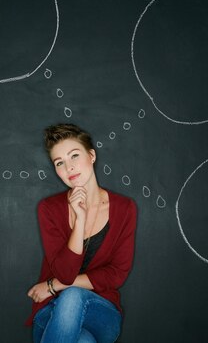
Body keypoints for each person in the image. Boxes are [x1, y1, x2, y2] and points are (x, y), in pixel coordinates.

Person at [25, 123, 137, 343]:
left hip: (102, 312)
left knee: (73, 295)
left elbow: (117, 274)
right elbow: (66, 272)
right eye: (60, 163)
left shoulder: (125, 209)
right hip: (51, 313)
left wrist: (53, 285)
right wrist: (80, 220)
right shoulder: (49, 209)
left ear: (92, 155)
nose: (69, 167)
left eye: (74, 155)